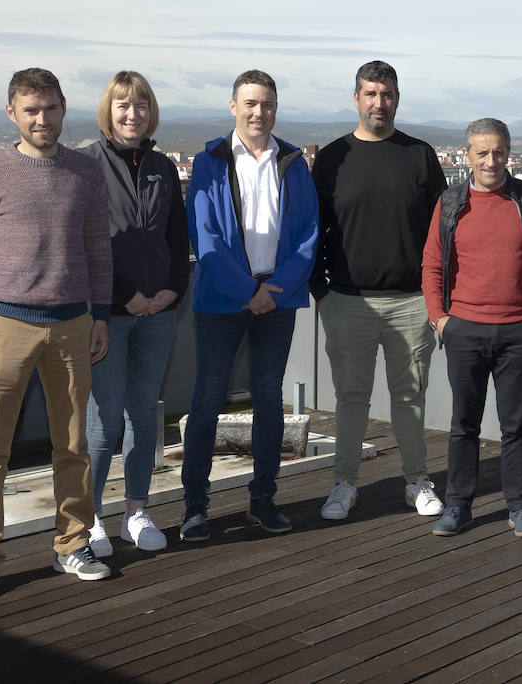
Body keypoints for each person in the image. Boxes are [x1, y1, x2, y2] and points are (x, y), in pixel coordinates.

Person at [0, 67, 113, 603]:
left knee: (73, 446)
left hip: (72, 325)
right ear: (12, 114)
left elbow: (98, 250)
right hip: (4, 326)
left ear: (63, 108)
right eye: (30, 110)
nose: (41, 119)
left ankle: (73, 543)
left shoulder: (86, 172)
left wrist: (101, 315)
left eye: (49, 108)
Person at [178, 70, 319, 542]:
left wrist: (275, 287)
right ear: (234, 106)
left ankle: (263, 498)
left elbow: (307, 235)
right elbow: (207, 238)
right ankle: (195, 506)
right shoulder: (209, 162)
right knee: (207, 400)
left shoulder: (294, 162)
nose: (260, 112)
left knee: (268, 399)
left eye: (268, 104)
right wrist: (246, 292)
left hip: (278, 298)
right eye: (251, 103)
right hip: (222, 298)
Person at [311, 60, 446, 521]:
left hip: (411, 301)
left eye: (386, 94)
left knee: (410, 396)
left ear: (397, 99)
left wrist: (436, 298)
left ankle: (416, 480)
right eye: (370, 94)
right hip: (347, 301)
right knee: (351, 399)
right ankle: (345, 483)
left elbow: (442, 234)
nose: (379, 103)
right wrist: (321, 293)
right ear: (356, 98)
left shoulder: (420, 156)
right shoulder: (331, 158)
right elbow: (312, 231)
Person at [422, 118, 522, 538]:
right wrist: (441, 320)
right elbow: (431, 265)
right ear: (467, 155)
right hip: (464, 329)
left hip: (519, 330)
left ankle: (519, 505)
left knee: (514, 425)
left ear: (508, 153)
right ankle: (458, 505)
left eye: (498, 152)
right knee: (464, 422)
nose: (491, 160)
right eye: (482, 152)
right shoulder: (450, 203)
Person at [81, 71, 189, 557]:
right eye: (123, 105)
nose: (132, 114)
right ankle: (89, 520)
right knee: (105, 421)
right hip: (106, 312)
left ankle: (135, 511)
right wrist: (125, 296)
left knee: (145, 415)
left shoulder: (163, 167)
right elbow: (86, 243)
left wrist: (172, 290)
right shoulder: (85, 166)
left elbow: (176, 237)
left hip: (159, 311)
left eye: (141, 105)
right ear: (109, 110)